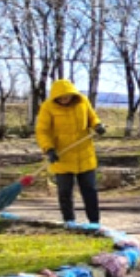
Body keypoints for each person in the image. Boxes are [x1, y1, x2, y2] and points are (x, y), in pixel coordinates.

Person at [34, 79, 107, 226]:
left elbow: (92, 117)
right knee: (65, 191)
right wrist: (49, 149)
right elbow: (42, 131)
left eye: (66, 97)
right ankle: (69, 222)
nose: (64, 100)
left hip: (84, 155)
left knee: (90, 190)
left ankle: (94, 222)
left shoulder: (83, 101)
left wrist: (97, 125)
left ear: (72, 94)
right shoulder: (47, 107)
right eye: (60, 98)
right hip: (62, 156)